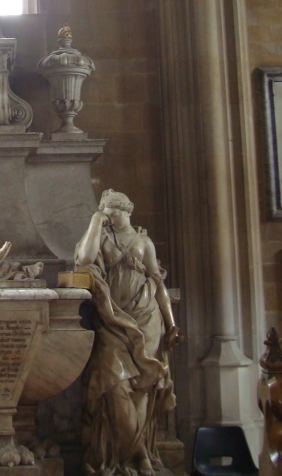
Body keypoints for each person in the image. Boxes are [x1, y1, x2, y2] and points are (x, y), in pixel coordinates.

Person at [73, 189, 182, 476]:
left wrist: (171, 324)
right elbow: (84, 259)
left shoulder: (144, 243)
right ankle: (140, 454)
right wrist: (95, 221)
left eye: (114, 211)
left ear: (127, 211)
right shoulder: (103, 239)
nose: (111, 216)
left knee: (142, 390)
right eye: (106, 211)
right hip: (112, 320)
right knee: (115, 385)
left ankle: (140, 456)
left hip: (147, 319)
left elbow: (158, 285)